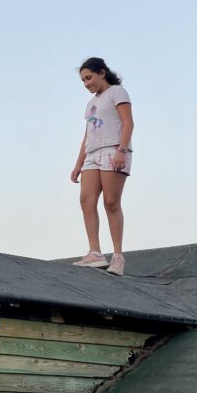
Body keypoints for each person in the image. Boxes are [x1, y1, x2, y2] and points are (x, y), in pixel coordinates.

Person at [71, 57, 134, 276]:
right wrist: (78, 164)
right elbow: (87, 135)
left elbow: (128, 122)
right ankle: (95, 253)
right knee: (86, 200)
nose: (86, 83)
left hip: (113, 149)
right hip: (92, 154)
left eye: (89, 78)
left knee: (111, 202)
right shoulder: (91, 104)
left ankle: (118, 256)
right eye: (83, 80)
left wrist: (122, 150)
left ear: (102, 73)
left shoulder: (117, 92)